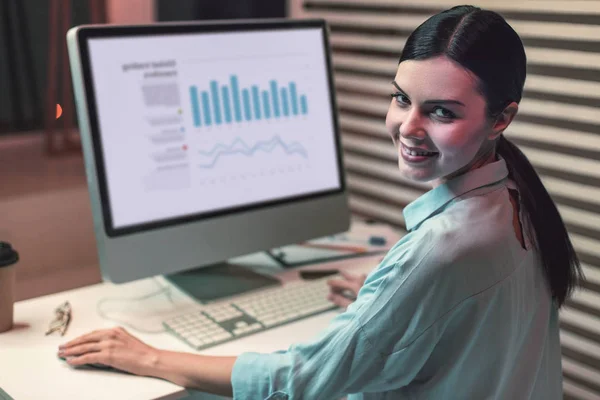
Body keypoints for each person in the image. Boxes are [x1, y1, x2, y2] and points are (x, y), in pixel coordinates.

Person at [57, 5, 583, 399]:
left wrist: (149, 356)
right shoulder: (514, 195)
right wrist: (393, 302)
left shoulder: (445, 248)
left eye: (441, 112)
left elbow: (303, 379)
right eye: (401, 99)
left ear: (501, 118)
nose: (408, 127)